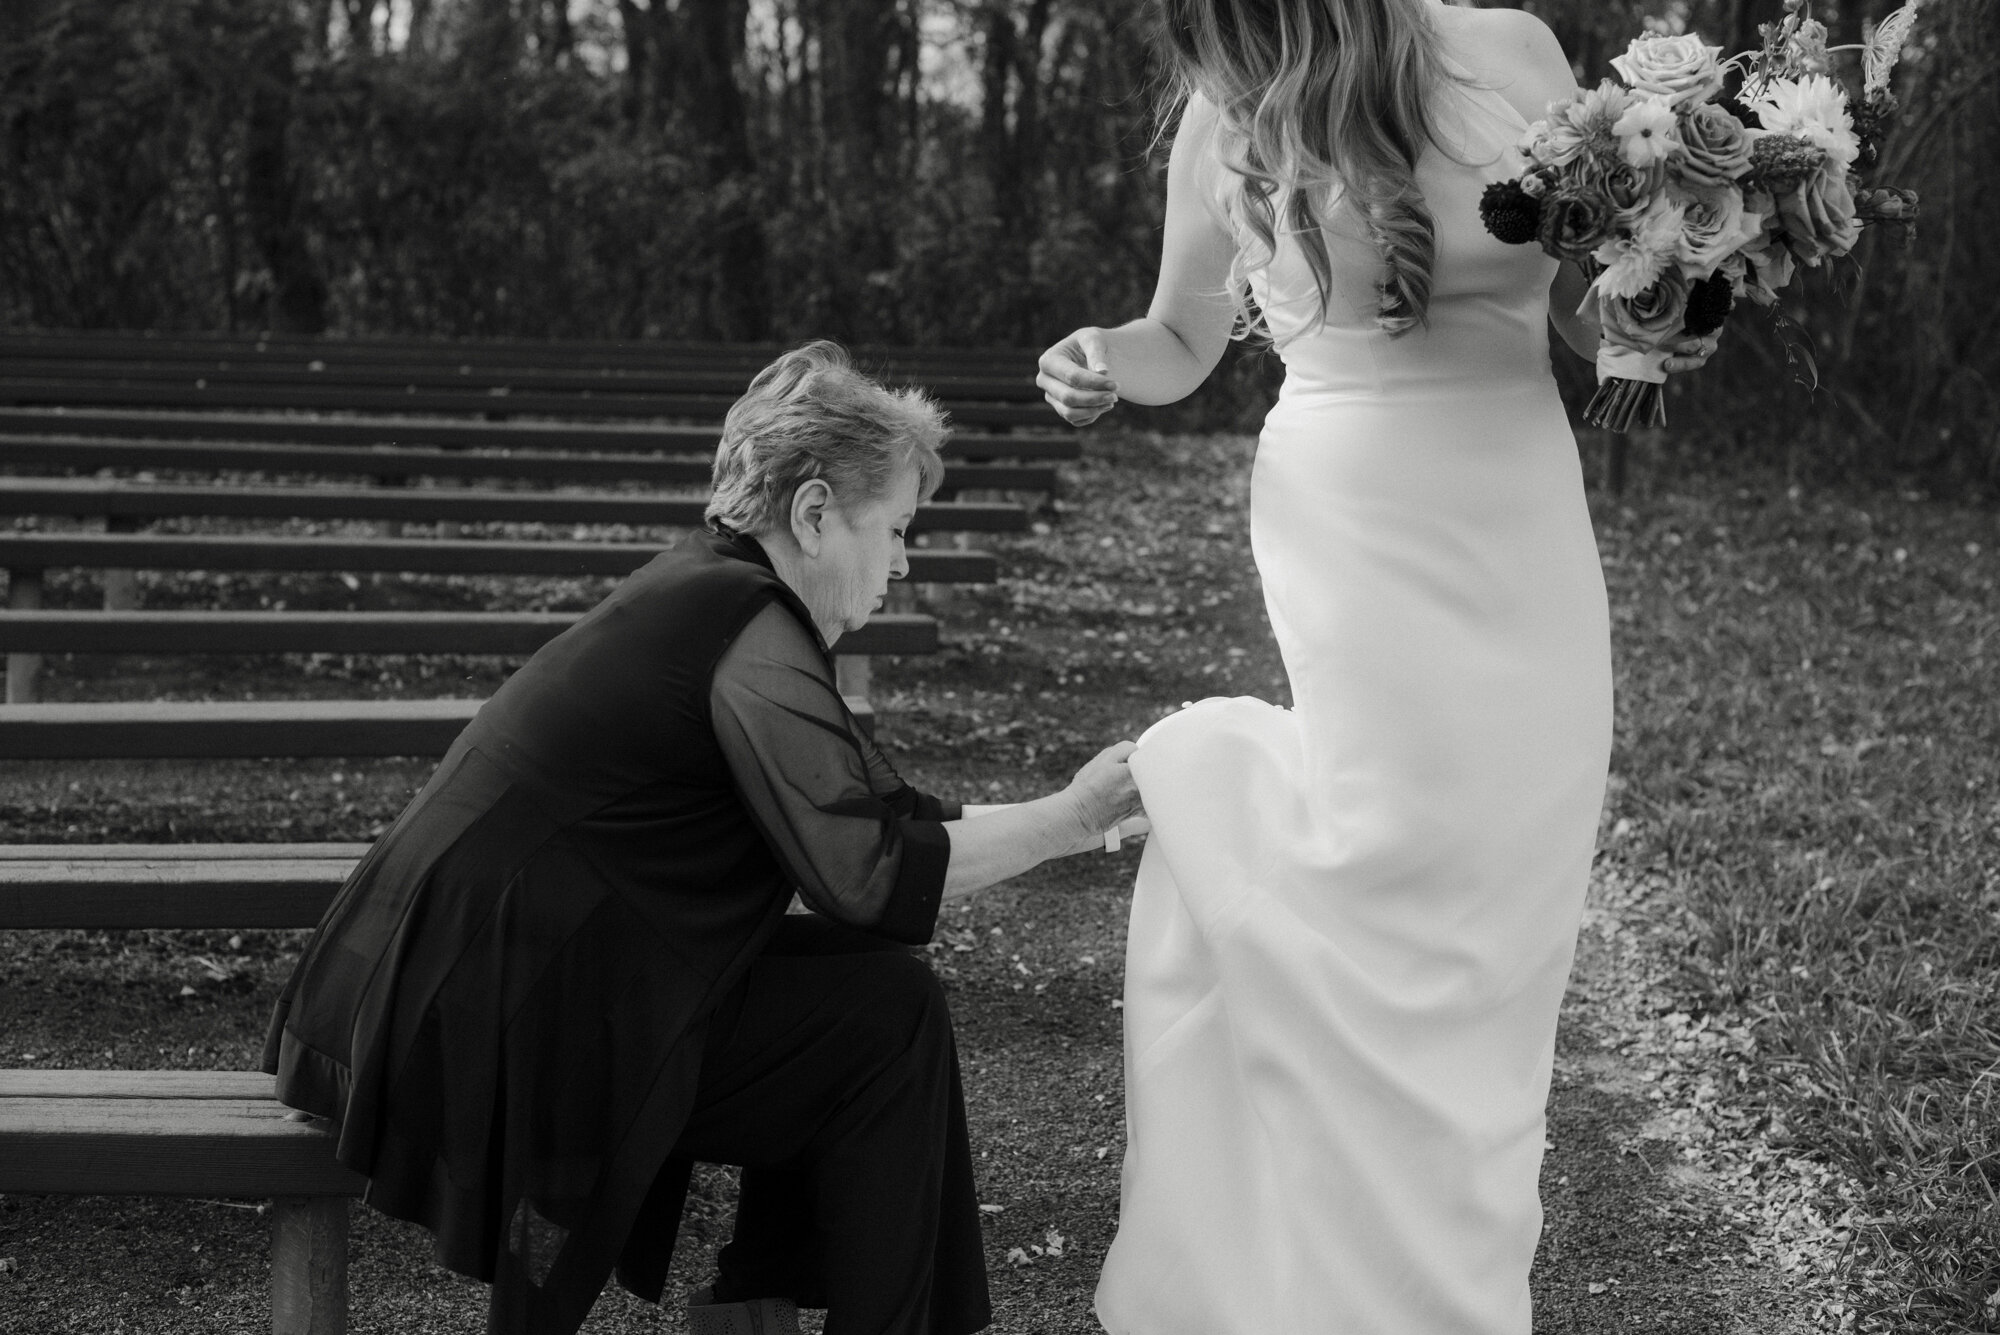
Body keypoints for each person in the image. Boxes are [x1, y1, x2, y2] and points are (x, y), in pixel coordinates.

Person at [1036, 2, 1716, 1332]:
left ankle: (1449, 1274)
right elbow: (1179, 339)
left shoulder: (1513, 50)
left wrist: (1663, 311)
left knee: (1507, 909)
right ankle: (1334, 1262)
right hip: (1349, 505)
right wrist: (1100, 359)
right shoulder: (1233, 100)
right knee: (1393, 861)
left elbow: (1586, 312)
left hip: (1519, 501)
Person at [263, 340, 1143, 1335]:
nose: (903, 562)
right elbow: (875, 876)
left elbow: (888, 823)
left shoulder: (717, 595)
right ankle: (779, 1308)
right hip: (482, 1020)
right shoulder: (745, 630)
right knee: (879, 1017)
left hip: (478, 982)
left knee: (871, 1000)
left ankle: (755, 1304)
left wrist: (1087, 820)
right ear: (814, 515)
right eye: (895, 530)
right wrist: (1067, 818)